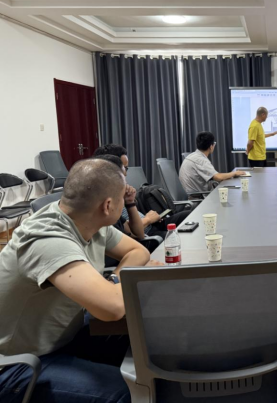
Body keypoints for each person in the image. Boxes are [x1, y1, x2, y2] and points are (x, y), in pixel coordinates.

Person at [0, 159, 163, 403]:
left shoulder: (88, 220)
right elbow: (112, 309)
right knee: (128, 391)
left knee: (147, 341)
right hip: (17, 365)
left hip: (63, 338)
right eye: (122, 198)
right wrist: (121, 285)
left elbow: (138, 252)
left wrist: (112, 281)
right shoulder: (48, 239)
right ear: (108, 205)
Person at [94, 144, 190, 239]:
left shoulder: (120, 193)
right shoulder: (107, 201)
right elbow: (132, 234)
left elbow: (132, 230)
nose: (126, 174)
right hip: (149, 235)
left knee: (188, 216)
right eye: (124, 168)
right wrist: (148, 219)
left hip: (150, 226)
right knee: (181, 238)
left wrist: (130, 202)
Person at [180, 132, 247, 195]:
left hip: (192, 194)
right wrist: (234, 173)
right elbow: (218, 177)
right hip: (197, 197)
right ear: (211, 146)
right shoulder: (201, 160)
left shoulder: (192, 156)